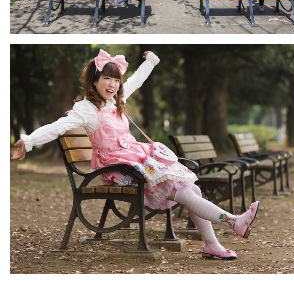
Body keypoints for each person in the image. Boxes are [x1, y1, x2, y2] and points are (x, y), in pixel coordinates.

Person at [11, 49, 259, 260]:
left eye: (116, 80)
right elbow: (57, 127)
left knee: (191, 189)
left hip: (135, 159)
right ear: (95, 80)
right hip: (118, 169)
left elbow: (136, 81)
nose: (113, 85)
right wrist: (28, 140)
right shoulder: (86, 110)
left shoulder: (115, 101)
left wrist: (150, 62)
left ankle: (212, 245)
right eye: (107, 79)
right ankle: (233, 222)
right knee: (182, 190)